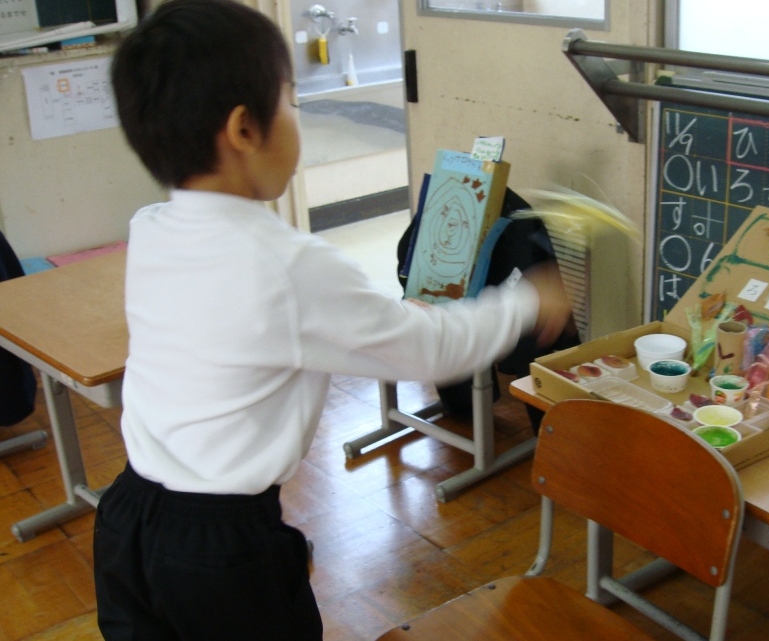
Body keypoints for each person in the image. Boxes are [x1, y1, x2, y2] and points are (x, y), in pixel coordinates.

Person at [93, 1, 573, 640]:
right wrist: (526, 301)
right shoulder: (286, 266)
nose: (298, 113)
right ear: (244, 129)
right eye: (291, 98)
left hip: (126, 521)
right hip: (222, 550)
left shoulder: (152, 228)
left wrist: (388, 320)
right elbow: (431, 353)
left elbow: (240, 327)